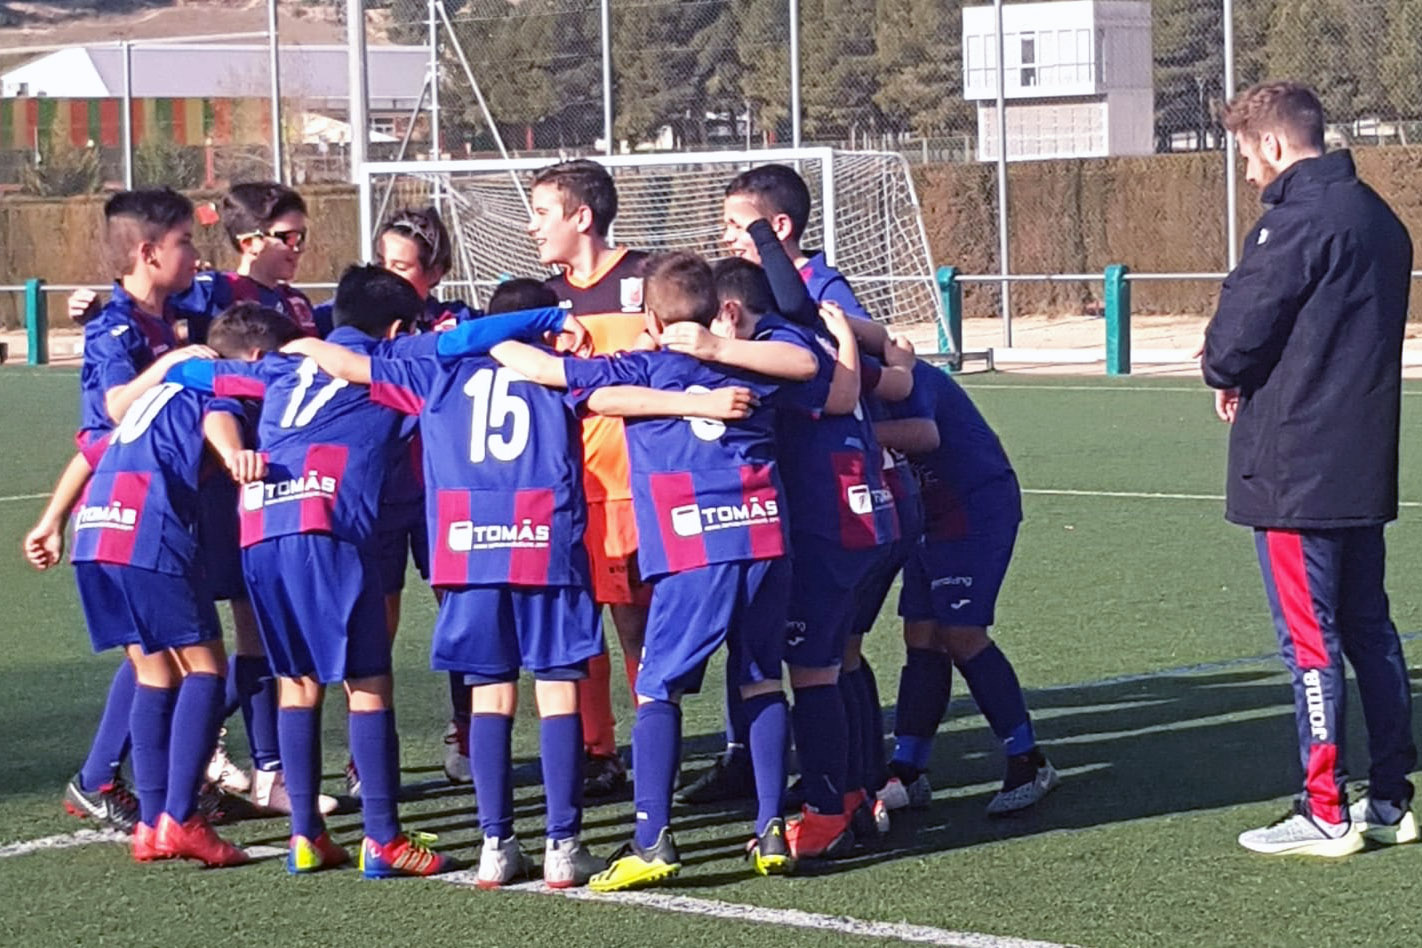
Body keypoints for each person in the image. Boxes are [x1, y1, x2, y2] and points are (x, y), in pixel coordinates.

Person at [492, 251, 795, 889]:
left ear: (651, 320)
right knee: (762, 680)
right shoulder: (746, 364)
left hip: (694, 544)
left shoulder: (640, 365)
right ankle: (771, 829)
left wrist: (477, 335)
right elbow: (811, 367)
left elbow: (548, 370)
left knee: (659, 686)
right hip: (764, 537)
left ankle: (652, 839)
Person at [1202, 80, 1418, 856]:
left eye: (1247, 157)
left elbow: (1235, 337)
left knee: (1311, 640)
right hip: (1362, 462)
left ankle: (1324, 806)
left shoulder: (1294, 224)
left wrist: (1228, 372)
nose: (1250, 175)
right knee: (1369, 628)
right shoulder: (1379, 219)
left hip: (1296, 469)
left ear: (1272, 144)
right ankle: (1390, 797)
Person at [24, 306, 300, 867]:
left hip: (95, 528)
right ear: (254, 358)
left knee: (155, 672)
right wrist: (234, 454)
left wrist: (50, 521)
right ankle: (182, 817)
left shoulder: (160, 393)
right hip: (148, 529)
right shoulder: (220, 387)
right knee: (204, 669)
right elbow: (219, 416)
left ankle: (152, 825)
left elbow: (90, 451)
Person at [62, 188, 211, 835]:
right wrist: (177, 363)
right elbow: (117, 409)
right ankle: (167, 805)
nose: (197, 255)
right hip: (131, 513)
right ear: (149, 252)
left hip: (148, 508)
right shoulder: (116, 328)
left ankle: (132, 793)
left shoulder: (170, 313)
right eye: (185, 242)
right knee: (187, 664)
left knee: (152, 661)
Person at [530, 158, 650, 796]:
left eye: (544, 212)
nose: (533, 227)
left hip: (635, 490)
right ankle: (596, 750)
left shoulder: (649, 278)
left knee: (636, 624)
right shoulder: (541, 302)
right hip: (568, 492)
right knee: (577, 625)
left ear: (582, 217)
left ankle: (654, 742)